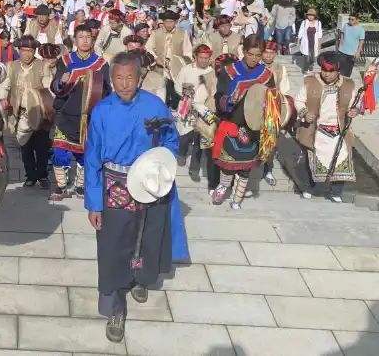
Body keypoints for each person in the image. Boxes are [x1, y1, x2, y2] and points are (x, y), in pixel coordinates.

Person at [84, 51, 190, 343]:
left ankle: (139, 277)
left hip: (149, 184)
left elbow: (170, 141)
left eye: (130, 77)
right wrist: (94, 203)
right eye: (118, 77)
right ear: (111, 79)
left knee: (146, 237)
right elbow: (92, 158)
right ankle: (115, 305)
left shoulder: (155, 106)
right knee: (113, 245)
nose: (124, 83)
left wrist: (161, 161)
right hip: (114, 186)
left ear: (140, 76)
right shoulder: (102, 111)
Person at [211, 35, 278, 210]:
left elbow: (272, 100)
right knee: (227, 162)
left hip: (253, 127)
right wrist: (227, 100)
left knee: (246, 165)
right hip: (232, 122)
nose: (254, 59)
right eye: (250, 54)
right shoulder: (229, 71)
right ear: (243, 51)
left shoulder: (266, 75)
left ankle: (237, 197)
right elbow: (218, 95)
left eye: (258, 55)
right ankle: (224, 186)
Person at [50, 22, 110, 199]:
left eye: (88, 37)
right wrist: (62, 80)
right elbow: (55, 85)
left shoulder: (100, 64)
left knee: (84, 153)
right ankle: (61, 186)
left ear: (93, 40)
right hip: (66, 114)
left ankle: (80, 187)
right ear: (75, 40)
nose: (85, 41)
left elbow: (106, 90)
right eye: (81, 37)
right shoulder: (66, 60)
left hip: (88, 116)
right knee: (59, 150)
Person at [292, 51, 361, 200]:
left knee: (341, 159)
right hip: (316, 130)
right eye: (324, 70)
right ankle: (311, 187)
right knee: (313, 160)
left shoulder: (348, 85)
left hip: (338, 131)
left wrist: (355, 110)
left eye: (331, 71)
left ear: (338, 70)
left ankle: (336, 192)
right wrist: (305, 113)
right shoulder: (311, 82)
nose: (327, 74)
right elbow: (298, 100)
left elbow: (355, 104)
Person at [1, 35, 53, 188]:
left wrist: (46, 106)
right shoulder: (11, 66)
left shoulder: (42, 66)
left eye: (30, 51)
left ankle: (42, 175)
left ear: (34, 51)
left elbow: (48, 88)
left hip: (40, 111)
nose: (27, 54)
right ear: (19, 50)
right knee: (25, 147)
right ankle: (30, 175)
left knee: (42, 147)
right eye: (24, 50)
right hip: (21, 113)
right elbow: (5, 85)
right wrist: (3, 98)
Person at [174, 44, 217, 186]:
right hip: (187, 107)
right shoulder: (187, 69)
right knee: (185, 135)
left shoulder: (212, 72)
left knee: (199, 140)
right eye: (201, 58)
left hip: (203, 110)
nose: (204, 61)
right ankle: (181, 152)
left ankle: (194, 169)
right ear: (195, 57)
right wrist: (184, 94)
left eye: (207, 58)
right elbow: (177, 85)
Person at [258, 41, 288, 187]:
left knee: (270, 140)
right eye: (266, 52)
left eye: (272, 53)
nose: (268, 56)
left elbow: (285, 90)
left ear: (275, 54)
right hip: (255, 107)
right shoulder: (254, 66)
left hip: (272, 108)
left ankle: (268, 170)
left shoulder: (280, 69)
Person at [336, 12, 365, 77]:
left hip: (352, 53)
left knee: (347, 72)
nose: (350, 21)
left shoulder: (361, 29)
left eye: (352, 19)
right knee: (340, 70)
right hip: (342, 51)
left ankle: (345, 84)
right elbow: (342, 34)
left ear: (357, 20)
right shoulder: (346, 25)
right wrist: (340, 45)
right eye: (349, 19)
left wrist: (358, 52)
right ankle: (339, 84)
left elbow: (361, 41)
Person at [297, 8, 323, 73]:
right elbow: (300, 32)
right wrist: (298, 40)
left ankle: (310, 65)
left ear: (314, 16)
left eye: (312, 15)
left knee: (313, 57)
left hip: (314, 42)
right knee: (306, 56)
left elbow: (320, 34)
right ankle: (305, 69)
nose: (310, 16)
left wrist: (319, 44)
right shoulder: (305, 22)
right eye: (309, 15)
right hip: (306, 42)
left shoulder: (318, 23)